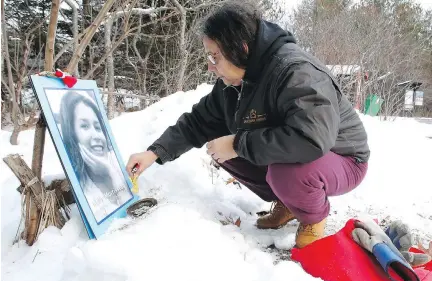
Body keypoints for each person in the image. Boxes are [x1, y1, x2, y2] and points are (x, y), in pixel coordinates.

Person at [126, 2, 370, 248]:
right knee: (219, 147)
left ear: (240, 48)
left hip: (343, 158)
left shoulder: (296, 71)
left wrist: (237, 143)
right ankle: (289, 203)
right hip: (302, 153)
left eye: (215, 57)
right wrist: (155, 152)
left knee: (280, 169)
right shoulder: (235, 79)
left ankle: (313, 216)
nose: (210, 66)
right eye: (208, 57)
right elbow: (200, 120)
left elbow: (310, 138)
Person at [59, 91, 132, 222]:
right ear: (72, 134)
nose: (96, 136)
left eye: (98, 128)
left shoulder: (115, 167)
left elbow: (130, 208)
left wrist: (112, 173)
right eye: (85, 126)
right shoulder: (82, 186)